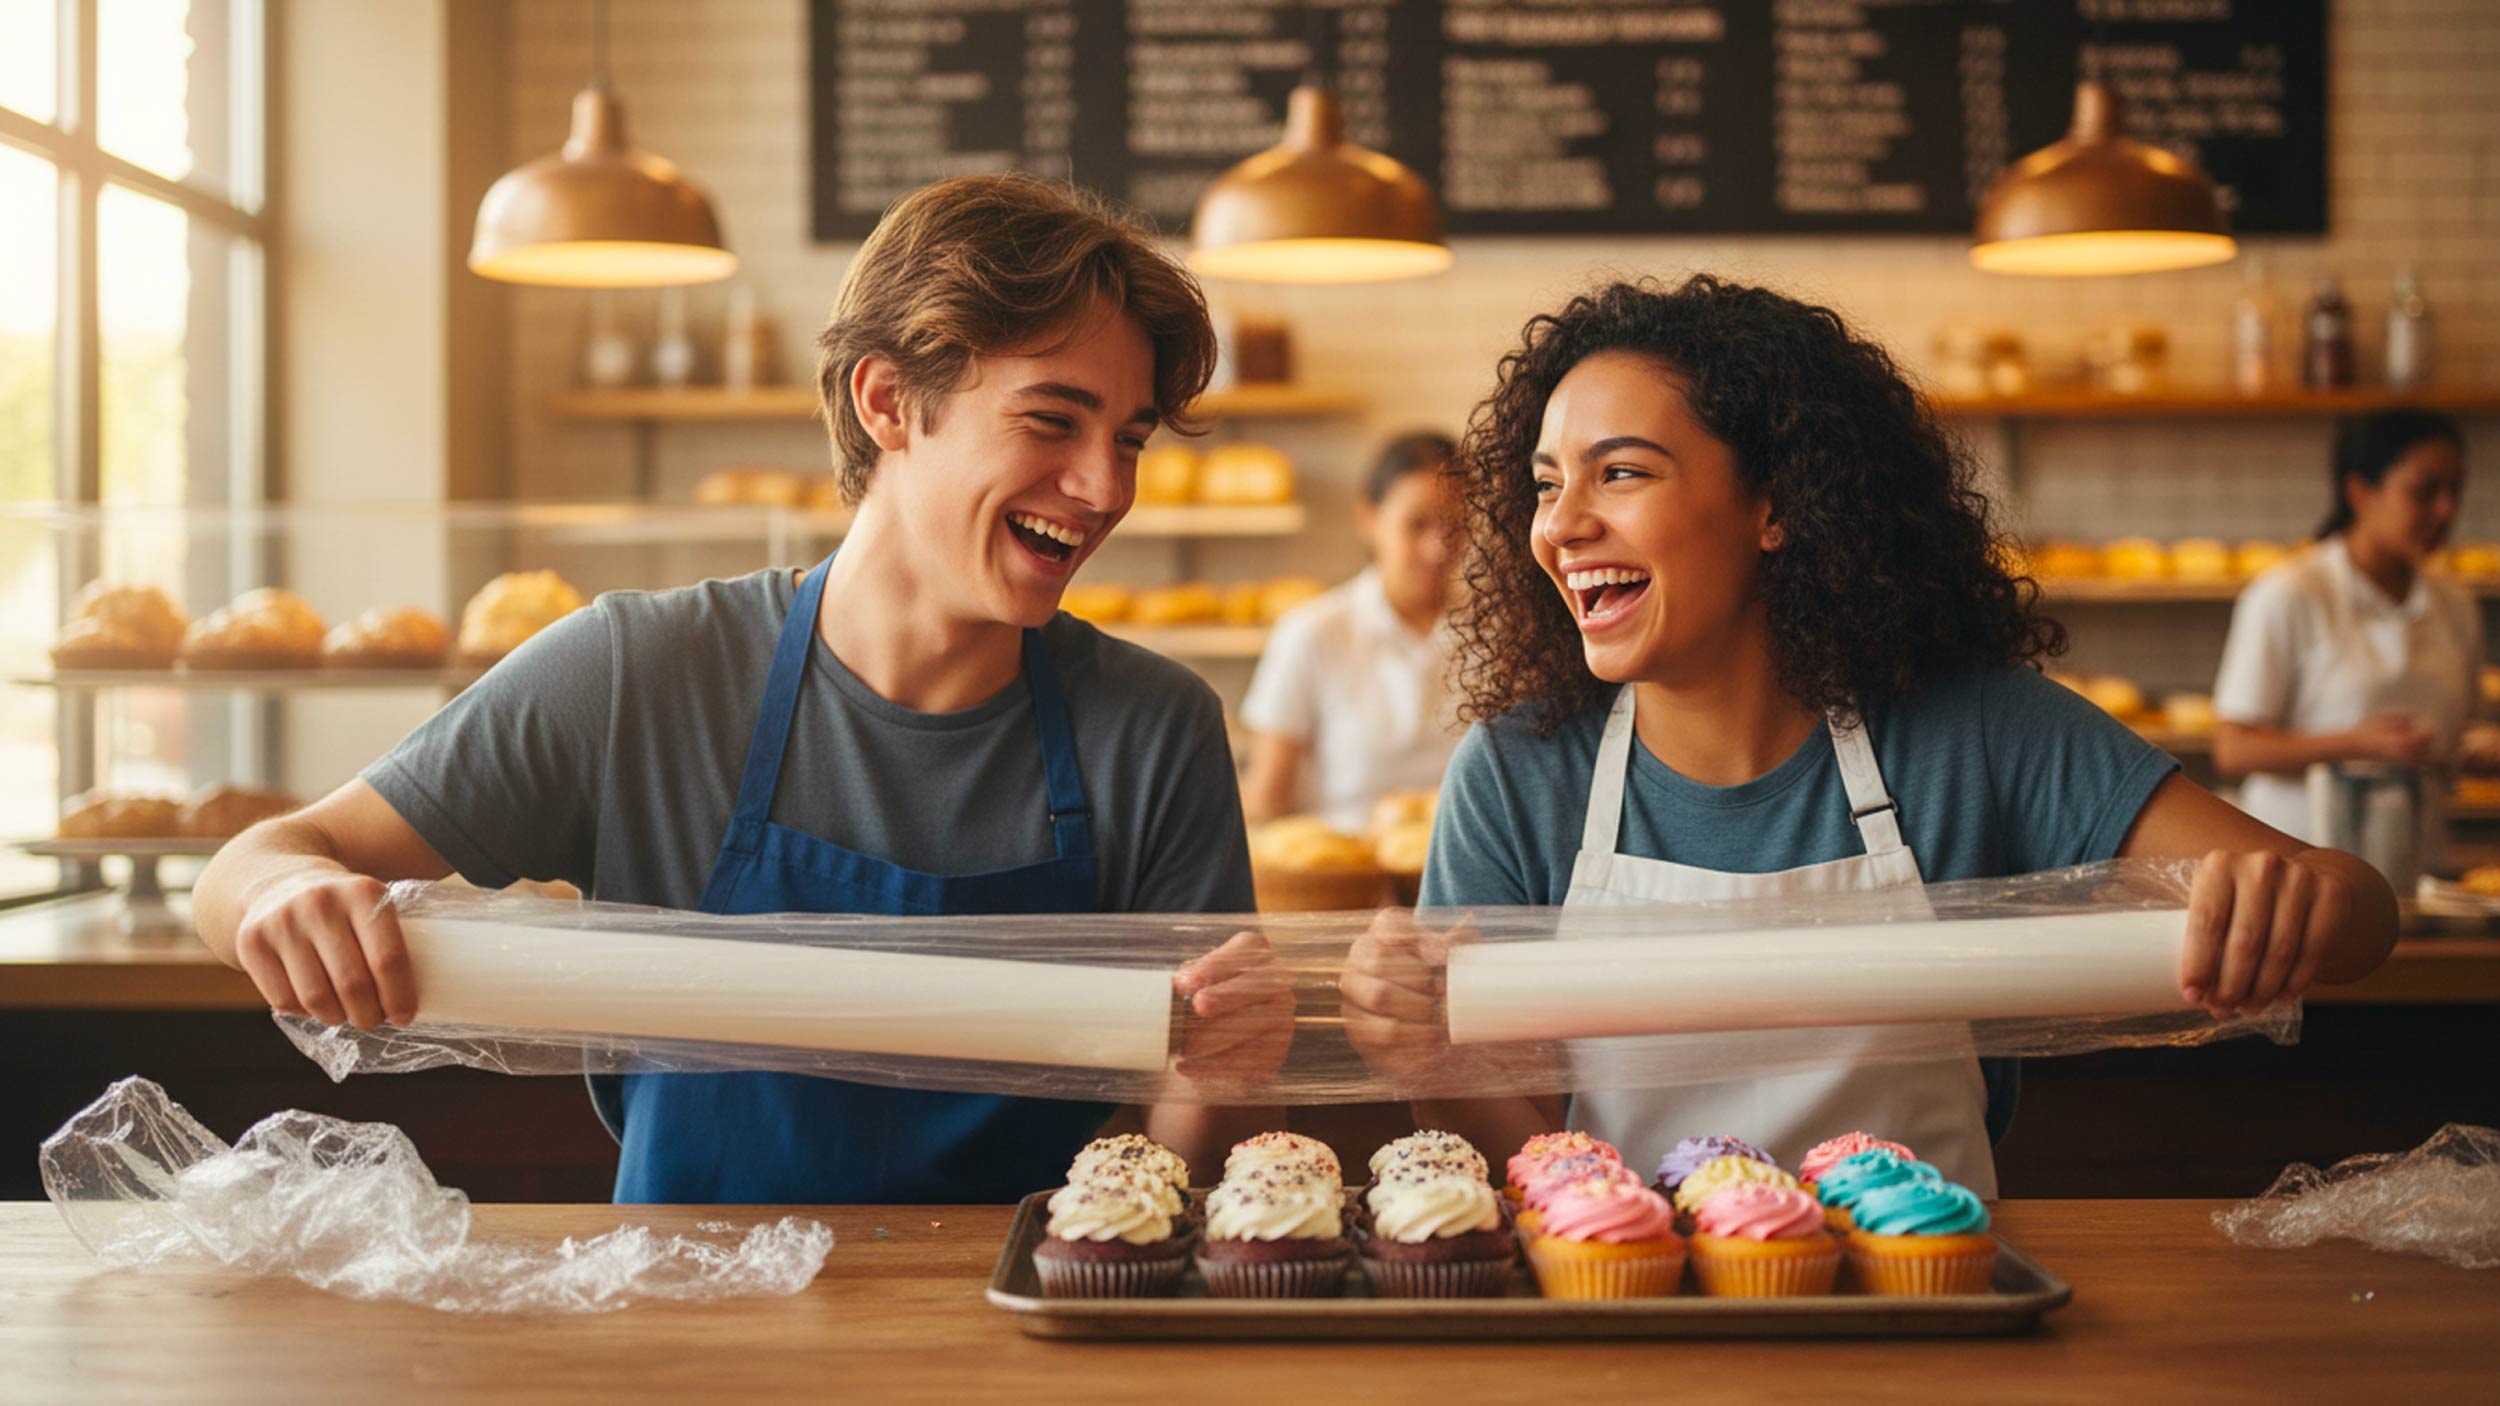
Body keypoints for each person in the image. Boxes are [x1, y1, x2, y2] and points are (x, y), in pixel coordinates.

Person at [192, 175, 1293, 1203]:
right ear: (888, 401)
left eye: (1128, 439)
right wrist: (284, 897)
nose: (1105, 487)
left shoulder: (1154, 727)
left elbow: (1177, 1157)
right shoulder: (638, 672)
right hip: (691, 1331)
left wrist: (1224, 1069)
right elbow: (253, 863)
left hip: (1022, 1325)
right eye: (1052, 421)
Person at [1339, 276, 2398, 1195]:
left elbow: (2359, 914)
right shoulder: (1518, 772)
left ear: (1774, 504)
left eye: (1620, 472)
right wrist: (1425, 1054)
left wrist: (2302, 898)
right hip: (1627, 1327)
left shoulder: (1974, 731)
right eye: (1545, 482)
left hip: (1930, 1325)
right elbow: (1516, 1166)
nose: (1560, 525)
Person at [2212, 411, 2477, 886]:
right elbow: (2232, 748)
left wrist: (2464, 751)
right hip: (2298, 871)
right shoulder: (2290, 593)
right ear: (2361, 492)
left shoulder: (2455, 607)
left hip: (2418, 869)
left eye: (2455, 491)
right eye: (2425, 491)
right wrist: (2358, 744)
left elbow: (2457, 735)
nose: (2446, 510)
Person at [1238, 432, 1466, 832]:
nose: (1438, 547)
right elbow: (1266, 800)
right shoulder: (1312, 633)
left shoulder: (1500, 633)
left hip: (1471, 884)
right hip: (1344, 882)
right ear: (1368, 520)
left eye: (1454, 525)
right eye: (1417, 525)